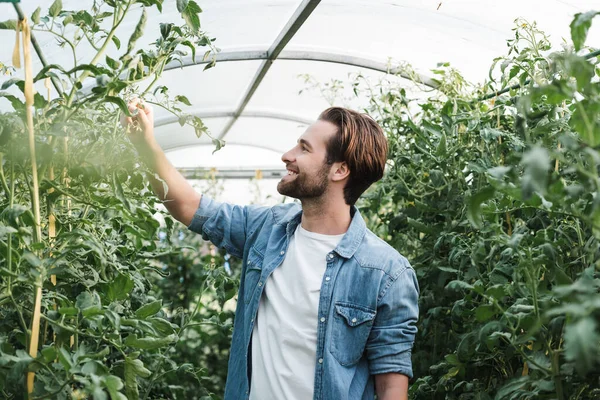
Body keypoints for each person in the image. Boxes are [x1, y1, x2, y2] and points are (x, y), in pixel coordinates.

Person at [123, 99, 419, 400]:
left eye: (304, 148)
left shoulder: (387, 273)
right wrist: (145, 143)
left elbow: (391, 388)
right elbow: (190, 206)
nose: (287, 156)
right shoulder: (267, 229)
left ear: (340, 170)